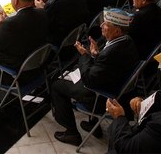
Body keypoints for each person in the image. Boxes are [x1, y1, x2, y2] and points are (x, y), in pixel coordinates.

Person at [50, 8, 140, 146]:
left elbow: (90, 80)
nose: (101, 26)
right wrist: (95, 55)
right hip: (112, 83)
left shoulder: (111, 52)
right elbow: (106, 68)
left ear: (117, 31)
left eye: (106, 24)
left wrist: (84, 55)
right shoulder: (127, 41)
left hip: (99, 95)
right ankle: (94, 125)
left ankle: (71, 133)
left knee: (56, 86)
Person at [128, 0, 161, 78]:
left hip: (138, 55)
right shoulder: (158, 10)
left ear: (144, 0)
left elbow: (128, 37)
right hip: (151, 54)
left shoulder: (140, 16)